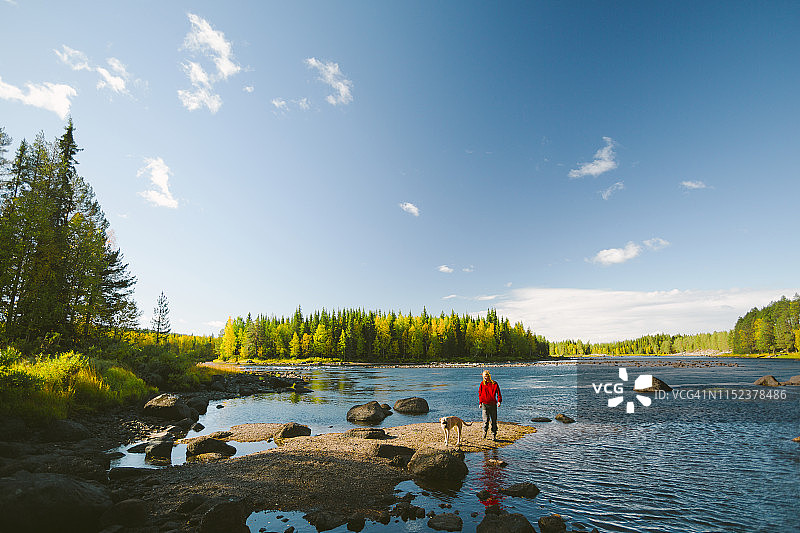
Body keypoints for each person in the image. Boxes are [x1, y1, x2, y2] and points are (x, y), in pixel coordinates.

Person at [478, 369, 502, 440]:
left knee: (493, 420)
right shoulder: (482, 384)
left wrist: (499, 401)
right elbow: (480, 394)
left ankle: (493, 434)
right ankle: (484, 433)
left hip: (493, 405)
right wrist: (480, 403)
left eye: (486, 376)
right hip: (484, 404)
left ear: (489, 376)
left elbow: (499, 393)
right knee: (485, 420)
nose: (485, 378)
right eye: (484, 376)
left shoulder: (494, 383)